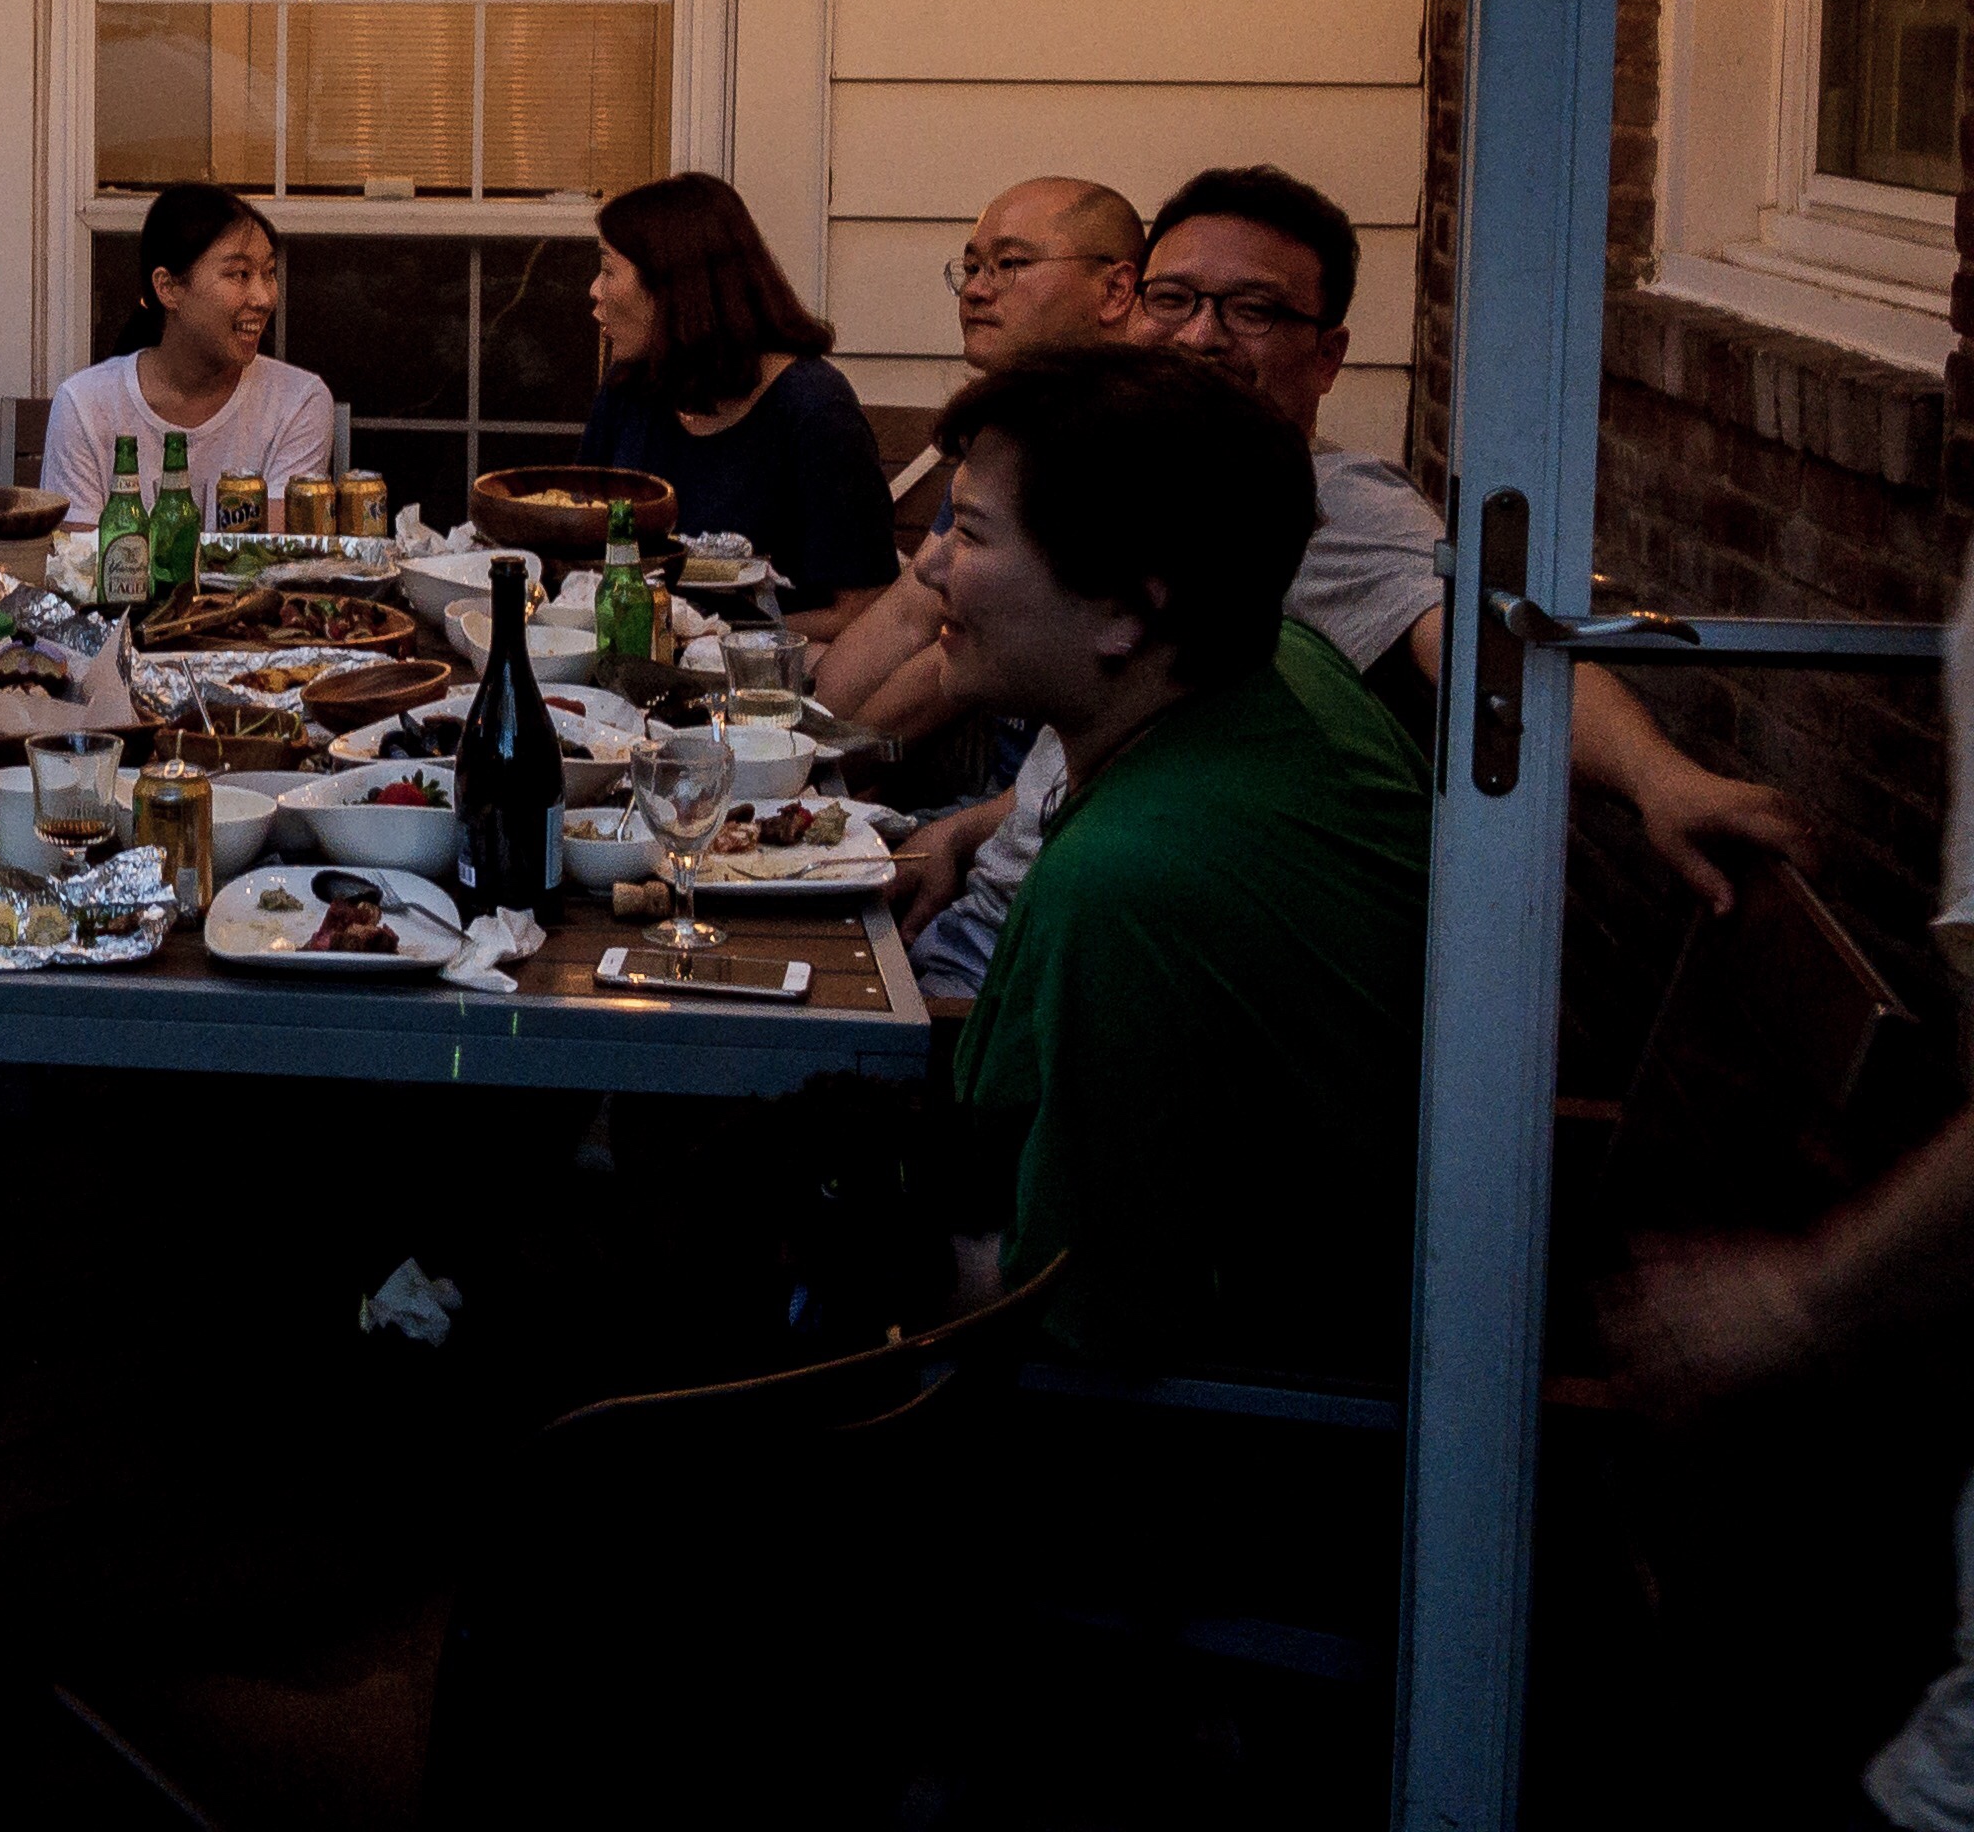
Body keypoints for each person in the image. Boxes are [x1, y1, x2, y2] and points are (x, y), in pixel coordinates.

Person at [931, 345, 1435, 1374]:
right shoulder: (1278, 659)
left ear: (1126, 610)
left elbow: (1076, 1311)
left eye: (971, 533)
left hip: (1244, 1413)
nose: (933, 567)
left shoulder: (1129, 883)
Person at [1126, 162, 1805, 913]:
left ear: (1327, 358)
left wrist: (1659, 776)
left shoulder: (1332, 505)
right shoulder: (1115, 472)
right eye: (1172, 298)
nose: (1200, 335)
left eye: (1252, 310)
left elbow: (1479, 631)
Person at [807, 178, 1145, 1000]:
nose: (978, 289)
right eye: (971, 266)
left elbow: (943, 653)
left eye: (1011, 264)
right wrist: (802, 745)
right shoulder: (1012, 430)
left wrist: (816, 764)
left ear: (1116, 290)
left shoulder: (1124, 449)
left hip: (1019, 885)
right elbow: (907, 616)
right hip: (991, 822)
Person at [577, 172, 895, 637]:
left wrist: (708, 635)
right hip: (626, 655)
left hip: (764, 669)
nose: (594, 289)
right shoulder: (632, 387)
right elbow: (580, 545)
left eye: (608, 270)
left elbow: (862, 609)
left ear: (673, 285)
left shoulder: (815, 411)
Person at [34, 183, 335, 524]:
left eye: (268, 273)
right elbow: (77, 552)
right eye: (240, 274)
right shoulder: (85, 404)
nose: (264, 298)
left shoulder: (298, 401)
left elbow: (273, 551)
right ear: (168, 288)